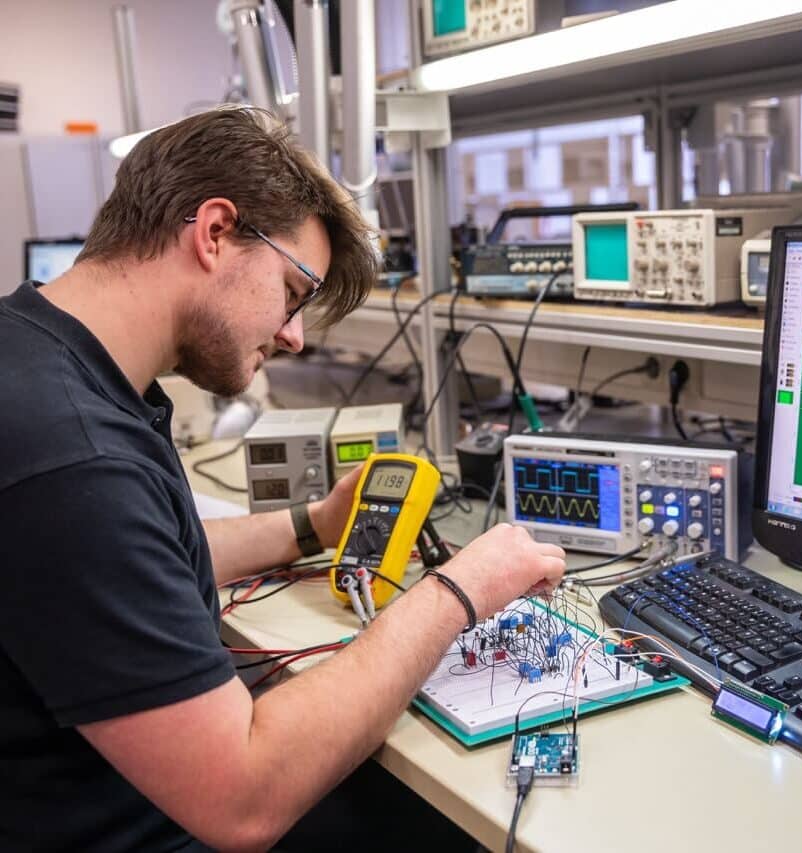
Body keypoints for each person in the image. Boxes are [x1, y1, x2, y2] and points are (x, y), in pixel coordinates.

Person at [0, 106, 566, 852]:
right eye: (294, 292)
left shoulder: (37, 350)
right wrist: (457, 592)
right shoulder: (74, 456)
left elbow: (141, 550)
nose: (294, 335)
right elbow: (245, 798)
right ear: (213, 233)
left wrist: (311, 525)